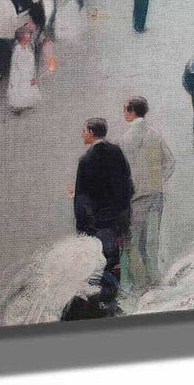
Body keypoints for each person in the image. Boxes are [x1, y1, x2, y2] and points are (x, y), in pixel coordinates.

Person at [119, 97, 174, 292]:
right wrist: (158, 180)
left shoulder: (125, 139)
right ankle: (154, 278)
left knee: (134, 241)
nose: (124, 113)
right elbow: (170, 162)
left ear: (132, 112)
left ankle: (140, 283)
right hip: (156, 194)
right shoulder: (155, 134)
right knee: (152, 239)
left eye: (125, 110)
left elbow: (121, 172)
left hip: (136, 197)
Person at [73, 117, 134, 276]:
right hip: (117, 218)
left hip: (98, 222)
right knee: (115, 261)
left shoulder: (86, 160)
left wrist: (82, 226)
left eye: (84, 131)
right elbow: (127, 184)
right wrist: (124, 214)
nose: (82, 134)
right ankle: (115, 292)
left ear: (92, 133)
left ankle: (103, 296)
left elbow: (82, 197)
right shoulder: (117, 152)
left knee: (98, 263)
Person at [6, 24, 41, 113]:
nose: (30, 39)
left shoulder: (27, 47)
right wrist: (30, 78)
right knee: (21, 90)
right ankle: (19, 106)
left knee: (26, 90)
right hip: (21, 77)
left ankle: (25, 104)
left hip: (27, 74)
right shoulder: (19, 50)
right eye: (28, 38)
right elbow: (20, 67)